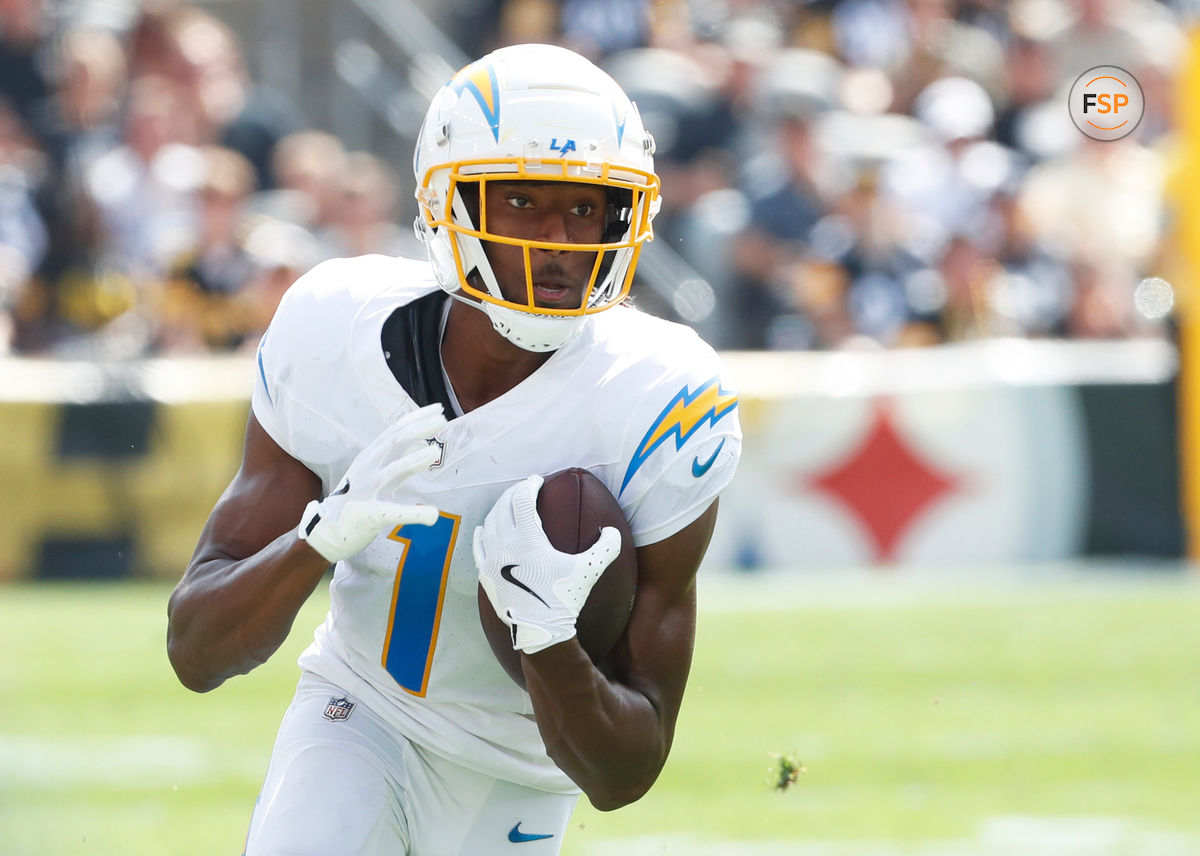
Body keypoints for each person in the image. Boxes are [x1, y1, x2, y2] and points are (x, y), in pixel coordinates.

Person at [166, 43, 742, 855]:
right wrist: (315, 540)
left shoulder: (664, 397)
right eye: (519, 201)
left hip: (521, 770)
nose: (558, 242)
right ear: (450, 206)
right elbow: (195, 650)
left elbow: (627, 773)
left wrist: (547, 638)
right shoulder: (333, 327)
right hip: (359, 710)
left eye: (585, 209)